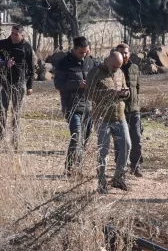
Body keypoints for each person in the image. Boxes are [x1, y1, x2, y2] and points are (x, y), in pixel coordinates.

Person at [90, 52, 132, 194]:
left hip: (119, 116)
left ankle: (118, 178)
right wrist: (112, 93)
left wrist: (125, 93)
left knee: (127, 145)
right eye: (114, 66)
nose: (116, 69)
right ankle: (101, 184)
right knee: (104, 152)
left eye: (119, 67)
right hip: (102, 118)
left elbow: (126, 89)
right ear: (107, 60)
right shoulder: (95, 73)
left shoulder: (120, 73)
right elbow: (89, 94)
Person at [54, 36, 96, 174]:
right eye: (81, 52)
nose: (84, 55)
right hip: (71, 106)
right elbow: (58, 84)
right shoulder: (64, 63)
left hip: (88, 106)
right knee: (76, 135)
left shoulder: (91, 62)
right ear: (74, 49)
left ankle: (79, 165)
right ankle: (70, 168)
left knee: (85, 137)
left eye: (86, 51)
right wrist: (77, 84)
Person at [0, 25, 35, 150]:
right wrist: (4, 63)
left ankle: (15, 139)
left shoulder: (26, 47)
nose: (13, 36)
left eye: (16, 34)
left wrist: (30, 86)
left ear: (22, 35)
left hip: (19, 84)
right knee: (2, 111)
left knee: (16, 113)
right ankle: (1, 136)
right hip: (4, 83)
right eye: (12, 33)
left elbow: (31, 68)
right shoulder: (3, 44)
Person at [115, 44, 144, 177]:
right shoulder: (113, 69)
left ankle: (136, 165)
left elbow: (137, 88)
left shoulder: (135, 68)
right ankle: (121, 166)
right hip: (118, 110)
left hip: (134, 109)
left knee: (137, 138)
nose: (124, 55)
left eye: (126, 53)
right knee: (120, 140)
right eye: (121, 53)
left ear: (129, 53)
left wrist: (136, 104)